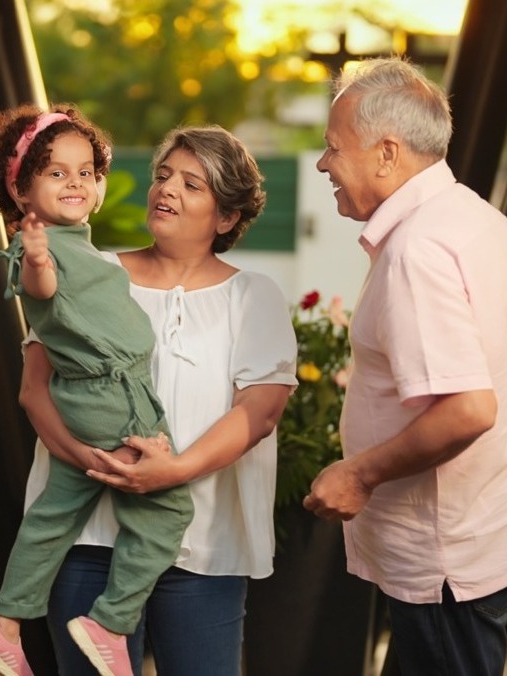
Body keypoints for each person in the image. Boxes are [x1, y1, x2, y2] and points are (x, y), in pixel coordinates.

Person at [17, 124, 298, 675]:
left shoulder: (253, 295)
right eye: (164, 176)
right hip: (88, 540)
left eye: (192, 185)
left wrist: (172, 471)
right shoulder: (87, 271)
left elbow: (259, 412)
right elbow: (34, 390)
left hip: (204, 550)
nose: (166, 190)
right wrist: (93, 464)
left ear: (226, 217)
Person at [302, 57, 507, 676]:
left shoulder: (417, 249)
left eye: (334, 148)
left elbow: (469, 409)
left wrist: (359, 475)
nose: (322, 164)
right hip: (481, 531)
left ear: (386, 154)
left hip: (447, 557)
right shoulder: (477, 217)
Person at [0, 103, 192, 676]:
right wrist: (36, 258)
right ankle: (111, 623)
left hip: (84, 401)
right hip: (113, 400)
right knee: (166, 510)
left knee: (51, 518)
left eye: (85, 171)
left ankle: (6, 625)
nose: (75, 182)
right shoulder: (44, 248)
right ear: (20, 190)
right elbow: (41, 288)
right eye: (55, 172)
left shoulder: (79, 243)